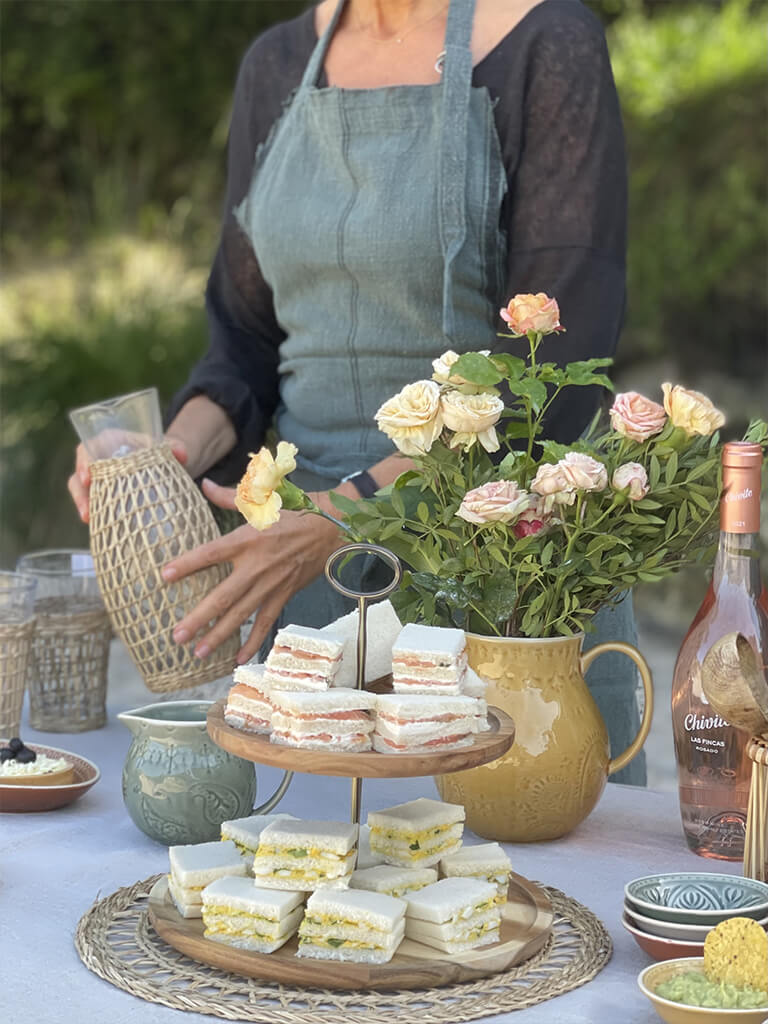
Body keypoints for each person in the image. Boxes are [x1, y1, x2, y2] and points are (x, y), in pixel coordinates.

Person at [69, 0, 645, 784]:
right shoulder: (274, 65)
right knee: (305, 882)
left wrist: (349, 515)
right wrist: (161, 457)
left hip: (499, 583)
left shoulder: (547, 42)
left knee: (515, 898)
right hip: (307, 595)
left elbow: (549, 380)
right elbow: (242, 347)